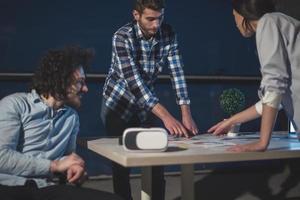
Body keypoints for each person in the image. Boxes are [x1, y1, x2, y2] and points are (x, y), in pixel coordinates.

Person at [101, 0, 198, 199]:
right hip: (117, 105)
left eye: (160, 18)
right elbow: (135, 83)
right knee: (121, 167)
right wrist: (167, 117)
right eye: (150, 19)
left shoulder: (169, 33)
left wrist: (186, 114)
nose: (156, 24)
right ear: (136, 15)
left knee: (156, 162)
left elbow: (177, 73)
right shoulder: (121, 37)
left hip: (147, 107)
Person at [0, 46, 122, 200]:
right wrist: (54, 166)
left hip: (46, 188)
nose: (85, 89)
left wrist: (73, 167)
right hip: (8, 186)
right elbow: (1, 157)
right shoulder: (15, 104)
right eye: (80, 82)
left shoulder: (71, 118)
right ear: (60, 80)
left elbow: (66, 156)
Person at [208, 0, 300, 152]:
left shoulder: (267, 22)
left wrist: (262, 142)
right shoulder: (281, 21)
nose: (236, 23)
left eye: (234, 16)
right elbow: (276, 98)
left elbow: (274, 86)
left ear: (243, 13)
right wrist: (234, 120)